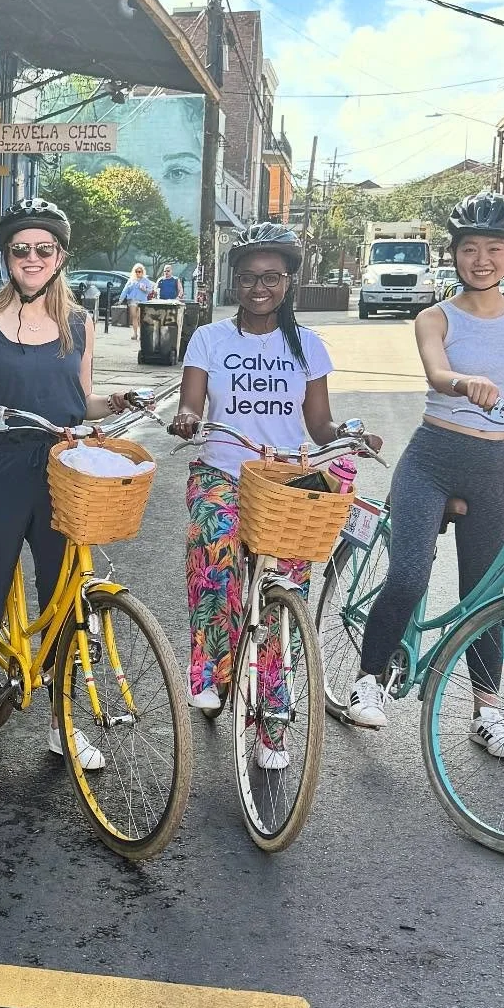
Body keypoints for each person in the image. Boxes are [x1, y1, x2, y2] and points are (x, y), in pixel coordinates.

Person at [347, 192, 504, 756]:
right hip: (431, 460)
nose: (481, 259)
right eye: (470, 249)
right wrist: (464, 382)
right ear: (454, 255)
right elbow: (437, 372)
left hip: (491, 467)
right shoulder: (434, 316)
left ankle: (487, 711)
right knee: (410, 574)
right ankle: (367, 679)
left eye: (494, 249)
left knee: (485, 595)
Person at [170, 223, 375, 769]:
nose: (259, 287)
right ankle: (207, 670)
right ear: (234, 282)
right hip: (222, 474)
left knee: (284, 603)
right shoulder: (210, 338)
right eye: (248, 278)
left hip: (287, 484)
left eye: (271, 277)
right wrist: (188, 418)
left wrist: (351, 434)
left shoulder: (308, 347)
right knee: (213, 555)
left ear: (289, 283)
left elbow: (320, 425)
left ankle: (272, 728)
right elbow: (192, 402)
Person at [0, 200, 131, 794]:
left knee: (64, 604)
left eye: (43, 249)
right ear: (6, 257)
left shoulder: (80, 324)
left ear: (60, 256)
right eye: (20, 249)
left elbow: (80, 401)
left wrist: (114, 403)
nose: (31, 258)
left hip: (61, 470)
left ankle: (62, 721)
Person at [120, 262, 154, 336]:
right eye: (136, 271)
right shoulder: (131, 280)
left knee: (141, 318)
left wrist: (144, 289)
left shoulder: (146, 280)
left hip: (142, 301)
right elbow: (125, 290)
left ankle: (141, 334)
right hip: (132, 300)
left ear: (142, 272)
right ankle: (135, 334)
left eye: (139, 271)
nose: (138, 273)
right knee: (134, 317)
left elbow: (150, 290)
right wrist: (121, 299)